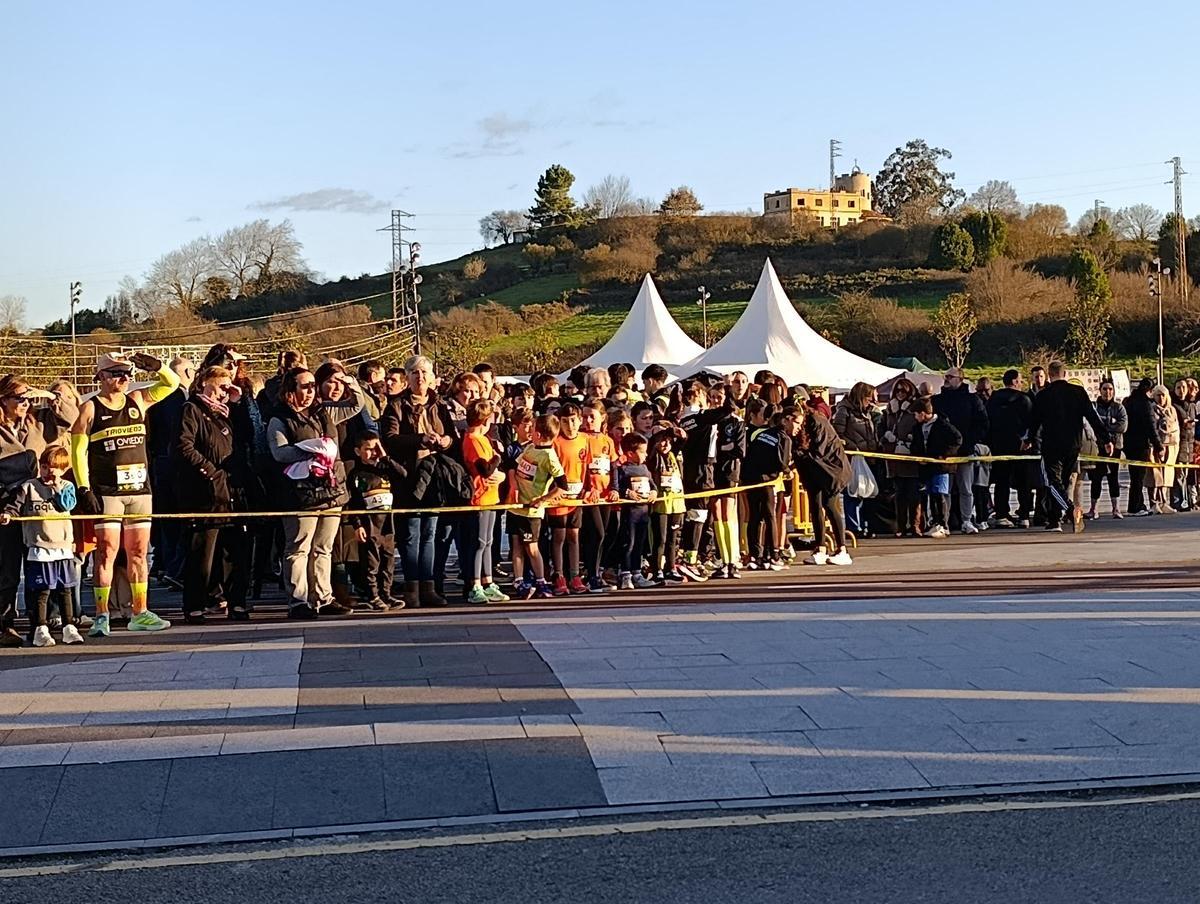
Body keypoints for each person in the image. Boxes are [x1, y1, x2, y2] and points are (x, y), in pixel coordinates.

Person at [70, 351, 181, 636]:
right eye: (118, 373)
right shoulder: (90, 408)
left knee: (139, 552)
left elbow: (171, 383)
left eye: (128, 374)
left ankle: (140, 611)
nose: (125, 379)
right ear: (103, 377)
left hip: (140, 489)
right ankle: (102, 614)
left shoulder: (138, 399)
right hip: (108, 490)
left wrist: (157, 366)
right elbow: (78, 451)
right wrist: (84, 487)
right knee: (107, 552)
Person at [268, 365, 364, 619]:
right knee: (298, 547)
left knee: (324, 547)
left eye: (313, 386)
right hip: (300, 493)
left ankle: (323, 596)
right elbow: (279, 452)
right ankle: (298, 600)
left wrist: (348, 381)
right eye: (305, 386)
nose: (311, 391)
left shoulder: (324, 412)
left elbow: (356, 405)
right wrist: (312, 449)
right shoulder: (280, 418)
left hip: (331, 489)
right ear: (291, 389)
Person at [173, 365, 251, 623]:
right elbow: (184, 445)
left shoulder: (229, 412)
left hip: (232, 490)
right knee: (202, 553)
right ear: (205, 383)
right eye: (220, 387)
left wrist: (239, 403)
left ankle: (237, 601)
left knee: (234, 551)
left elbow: (248, 437)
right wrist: (209, 470)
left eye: (228, 388)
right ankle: (196, 603)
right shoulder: (191, 409)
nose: (223, 393)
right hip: (204, 492)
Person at [380, 355, 453, 608]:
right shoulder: (395, 406)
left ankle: (428, 587)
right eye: (414, 373)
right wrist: (420, 439)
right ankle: (411, 589)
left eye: (424, 372)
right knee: (411, 535)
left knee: (430, 534)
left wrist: (445, 441)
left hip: (434, 477)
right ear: (407, 378)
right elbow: (389, 439)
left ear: (432, 377)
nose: (420, 377)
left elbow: (452, 436)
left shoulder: (439, 405)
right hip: (408, 476)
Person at [1, 445, 81, 647]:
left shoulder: (67, 486)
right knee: (42, 590)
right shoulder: (29, 486)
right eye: (44, 468)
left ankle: (69, 626)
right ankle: (40, 628)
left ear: (63, 470)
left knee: (65, 589)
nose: (48, 473)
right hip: (39, 547)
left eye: (54, 469)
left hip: (62, 546)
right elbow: (15, 505)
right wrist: (9, 515)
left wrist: (57, 487)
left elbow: (67, 505)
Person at [1026, 361, 1109, 532]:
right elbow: (1092, 417)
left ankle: (1071, 510)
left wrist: (1029, 439)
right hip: (1073, 444)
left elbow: (1035, 421)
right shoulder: (1078, 392)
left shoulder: (1043, 395)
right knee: (1063, 482)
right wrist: (1106, 439)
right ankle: (1054, 520)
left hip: (1052, 444)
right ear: (1065, 374)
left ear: (1049, 375)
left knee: (1052, 482)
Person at [508, 414, 567, 600]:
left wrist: (543, 500)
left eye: (532, 429)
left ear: (539, 434)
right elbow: (515, 467)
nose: (529, 432)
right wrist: (513, 486)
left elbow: (562, 486)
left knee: (531, 547)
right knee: (516, 544)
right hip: (516, 506)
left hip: (531, 511)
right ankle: (519, 581)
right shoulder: (530, 448)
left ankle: (541, 581)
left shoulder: (549, 457)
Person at [347, 431, 406, 610]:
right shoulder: (357, 473)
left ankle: (386, 593)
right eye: (368, 449)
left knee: (388, 561)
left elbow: (403, 474)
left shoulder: (384, 469)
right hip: (370, 524)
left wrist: (385, 457)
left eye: (376, 448)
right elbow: (352, 501)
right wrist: (357, 524)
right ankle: (373, 595)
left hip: (387, 524)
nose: (373, 452)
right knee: (372, 562)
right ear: (358, 451)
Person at [460, 399, 509, 604]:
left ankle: (488, 581)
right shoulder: (472, 439)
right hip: (479, 497)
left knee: (488, 541)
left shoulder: (483, 439)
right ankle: (475, 583)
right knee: (479, 542)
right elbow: (485, 469)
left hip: (491, 496)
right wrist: (497, 456)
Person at [794, 405, 853, 566]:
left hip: (832, 469)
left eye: (795, 419)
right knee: (815, 505)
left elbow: (818, 452)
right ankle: (820, 547)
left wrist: (798, 454)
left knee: (830, 504)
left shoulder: (818, 422)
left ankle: (842, 549)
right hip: (814, 469)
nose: (792, 423)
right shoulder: (797, 428)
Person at [933, 367, 988, 534]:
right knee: (945, 490)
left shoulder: (972, 400)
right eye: (946, 376)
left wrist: (969, 442)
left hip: (965, 450)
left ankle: (966, 520)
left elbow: (982, 423)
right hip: (946, 453)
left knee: (966, 488)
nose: (947, 379)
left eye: (951, 376)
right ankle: (944, 522)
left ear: (960, 379)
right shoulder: (938, 400)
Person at [742, 403, 794, 569]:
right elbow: (781, 462)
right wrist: (788, 471)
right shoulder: (783, 438)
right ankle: (773, 555)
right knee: (770, 517)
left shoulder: (762, 434)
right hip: (767, 481)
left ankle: (755, 556)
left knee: (754, 517)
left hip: (750, 478)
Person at [549, 402, 589, 595]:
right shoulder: (555, 441)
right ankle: (558, 575)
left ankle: (575, 575)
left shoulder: (584, 439)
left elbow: (586, 467)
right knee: (559, 536)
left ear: (579, 420)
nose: (569, 425)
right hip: (559, 496)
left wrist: (587, 489)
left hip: (576, 496)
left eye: (573, 420)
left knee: (574, 535)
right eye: (565, 421)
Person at [908, 398, 962, 539]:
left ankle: (943, 525)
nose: (914, 417)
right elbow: (915, 444)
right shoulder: (917, 428)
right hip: (926, 467)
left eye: (915, 414)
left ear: (923, 413)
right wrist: (918, 456)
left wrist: (943, 455)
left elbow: (957, 439)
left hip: (942, 467)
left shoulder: (943, 425)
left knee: (940, 494)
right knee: (931, 494)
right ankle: (935, 523)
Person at [987, 369, 1034, 528]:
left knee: (1002, 481)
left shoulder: (993, 399)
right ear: (1014, 381)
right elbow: (1031, 423)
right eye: (1020, 380)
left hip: (998, 447)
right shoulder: (1024, 399)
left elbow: (988, 422)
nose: (1021, 383)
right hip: (1020, 447)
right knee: (1023, 482)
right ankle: (1024, 515)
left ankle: (1001, 514)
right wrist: (1028, 440)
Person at [832, 381, 880, 539]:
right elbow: (838, 434)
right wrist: (853, 447)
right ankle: (853, 527)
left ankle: (867, 525)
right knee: (853, 493)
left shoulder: (867, 412)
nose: (870, 401)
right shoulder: (844, 411)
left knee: (867, 492)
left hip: (869, 456)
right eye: (868, 398)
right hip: (853, 457)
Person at [580, 399, 619, 592]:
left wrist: (615, 489)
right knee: (596, 533)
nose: (588, 421)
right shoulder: (581, 438)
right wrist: (587, 488)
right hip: (589, 496)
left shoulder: (607, 440)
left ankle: (597, 571)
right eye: (585, 417)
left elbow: (613, 467)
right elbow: (581, 467)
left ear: (602, 418)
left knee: (604, 535)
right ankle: (591, 575)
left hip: (605, 495)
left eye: (592, 417)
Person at [710, 383, 746, 578]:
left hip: (730, 471)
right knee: (716, 514)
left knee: (728, 514)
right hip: (711, 472)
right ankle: (723, 559)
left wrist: (721, 449)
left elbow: (740, 450)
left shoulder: (735, 421)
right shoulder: (708, 420)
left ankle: (733, 560)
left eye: (720, 396)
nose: (716, 400)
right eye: (713, 396)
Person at [614, 433, 657, 589]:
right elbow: (617, 487)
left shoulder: (645, 469)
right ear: (630, 453)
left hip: (643, 513)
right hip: (630, 513)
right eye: (642, 451)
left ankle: (637, 573)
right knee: (629, 543)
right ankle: (625, 574)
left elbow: (653, 485)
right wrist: (627, 493)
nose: (646, 455)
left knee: (639, 543)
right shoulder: (623, 469)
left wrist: (654, 492)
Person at [880, 378, 921, 537]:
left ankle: (915, 526)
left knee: (914, 494)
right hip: (894, 457)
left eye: (903, 391)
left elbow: (921, 425)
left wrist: (913, 439)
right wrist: (885, 436)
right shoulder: (889, 409)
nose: (900, 394)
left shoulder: (915, 407)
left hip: (911, 457)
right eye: (897, 391)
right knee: (899, 495)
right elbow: (881, 427)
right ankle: (901, 526)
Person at [1088, 379, 1127, 520]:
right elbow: (1091, 425)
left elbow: (1123, 426)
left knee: (1113, 478)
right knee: (1096, 478)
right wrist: (1103, 433)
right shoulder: (1094, 407)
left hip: (1115, 447)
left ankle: (1116, 508)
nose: (1107, 392)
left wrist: (1106, 429)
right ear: (1100, 390)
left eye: (1110, 389)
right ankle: (1093, 509)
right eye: (1104, 389)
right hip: (1097, 448)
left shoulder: (1119, 407)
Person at [1123, 378, 1159, 516]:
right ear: (1149, 390)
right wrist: (1158, 445)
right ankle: (1135, 507)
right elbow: (1151, 426)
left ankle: (1139, 503)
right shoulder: (1145, 404)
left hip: (1129, 444)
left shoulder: (1129, 401)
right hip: (1141, 443)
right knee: (1138, 477)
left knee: (1135, 476)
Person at [1150, 384, 1180, 514]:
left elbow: (1175, 427)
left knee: (1167, 474)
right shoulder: (1151, 409)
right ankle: (1153, 502)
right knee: (1154, 475)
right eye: (1158, 395)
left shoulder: (1172, 410)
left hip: (1171, 445)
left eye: (1163, 395)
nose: (1161, 398)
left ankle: (1164, 502)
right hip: (1156, 446)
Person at [1171, 379, 1196, 511]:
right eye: (1178, 388)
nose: (1181, 390)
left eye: (1184, 388)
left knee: (1186, 474)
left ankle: (1186, 501)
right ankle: (1178, 501)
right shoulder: (1173, 405)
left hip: (1189, 443)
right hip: (1178, 442)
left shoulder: (1191, 405)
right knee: (1178, 474)